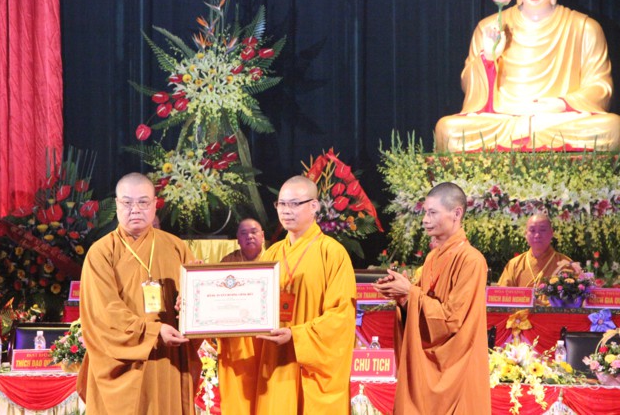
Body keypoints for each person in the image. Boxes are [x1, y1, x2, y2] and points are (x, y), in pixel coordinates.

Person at [217, 175, 357, 414]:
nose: (285, 210)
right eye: (281, 204)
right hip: (273, 361)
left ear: (314, 206)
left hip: (307, 364)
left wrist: (296, 335)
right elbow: (249, 306)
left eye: (294, 204)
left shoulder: (332, 254)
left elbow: (341, 317)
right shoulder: (272, 254)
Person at [435, 0, 620, 152]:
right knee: (448, 130)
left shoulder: (584, 27)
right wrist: (489, 58)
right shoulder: (489, 27)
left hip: (556, 119)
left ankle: (527, 135)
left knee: (613, 127)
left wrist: (562, 104)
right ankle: (529, 135)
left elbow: (601, 87)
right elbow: (469, 86)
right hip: (505, 119)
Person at [77, 172, 201, 415]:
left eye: (143, 202)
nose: (135, 209)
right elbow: (104, 313)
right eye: (127, 203)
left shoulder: (176, 247)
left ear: (155, 204)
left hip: (167, 359)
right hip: (123, 362)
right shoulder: (101, 253)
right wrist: (153, 332)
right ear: (116, 204)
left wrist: (191, 303)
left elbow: (193, 301)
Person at [373, 182, 490, 414]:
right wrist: (403, 298)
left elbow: (452, 320)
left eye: (432, 213)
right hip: (430, 364)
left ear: (456, 213)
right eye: (425, 213)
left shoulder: (472, 260)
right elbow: (423, 311)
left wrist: (410, 292)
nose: (425, 220)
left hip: (457, 367)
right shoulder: (432, 258)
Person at [498, 213, 572, 291]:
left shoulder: (565, 264)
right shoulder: (514, 264)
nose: (537, 235)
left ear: (551, 233)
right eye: (532, 230)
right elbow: (502, 294)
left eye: (542, 230)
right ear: (526, 234)